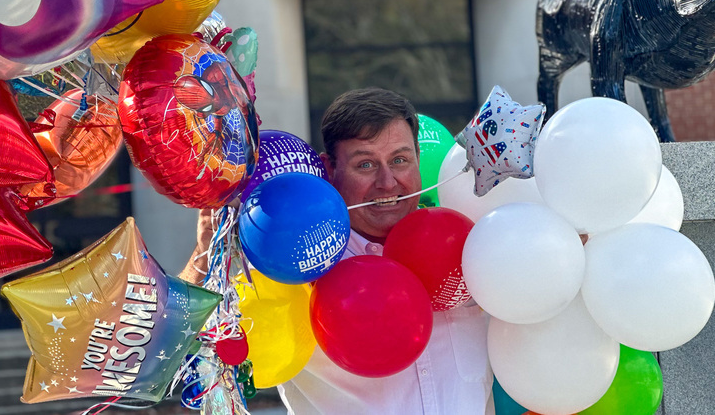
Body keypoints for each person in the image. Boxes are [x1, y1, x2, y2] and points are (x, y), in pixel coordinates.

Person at [181, 87, 493, 415]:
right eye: (366, 165)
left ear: (417, 157)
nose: (388, 182)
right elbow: (170, 355)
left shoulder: (469, 247)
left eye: (400, 160)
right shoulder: (290, 264)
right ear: (329, 169)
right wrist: (204, 254)